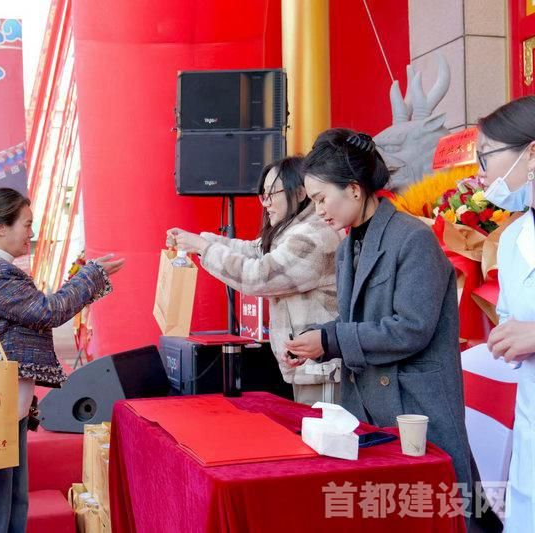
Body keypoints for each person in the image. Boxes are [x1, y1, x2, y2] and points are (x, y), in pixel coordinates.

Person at [287, 128, 501, 531]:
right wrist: (318, 340)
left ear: (353, 189)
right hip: (368, 406)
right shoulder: (349, 245)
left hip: (414, 408)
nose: (318, 211)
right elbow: (358, 321)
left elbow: (410, 329)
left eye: (320, 198)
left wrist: (332, 339)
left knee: (443, 515)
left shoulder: (413, 238)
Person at [0, 187, 124, 532]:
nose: (31, 233)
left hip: (0, 403)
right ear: (1, 227)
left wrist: (88, 277)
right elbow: (47, 311)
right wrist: (90, 276)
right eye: (27, 224)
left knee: (7, 504)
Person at [166, 156, 342, 405]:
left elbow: (258, 276)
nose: (265, 203)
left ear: (300, 192)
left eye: (271, 194)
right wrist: (199, 242)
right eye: (262, 195)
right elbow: (251, 250)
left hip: (323, 370)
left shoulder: (313, 236)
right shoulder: (291, 232)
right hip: (311, 367)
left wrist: (203, 247)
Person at [480, 96, 535, 531]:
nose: (480, 172)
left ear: (530, 153)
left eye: (486, 156)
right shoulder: (514, 237)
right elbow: (510, 316)